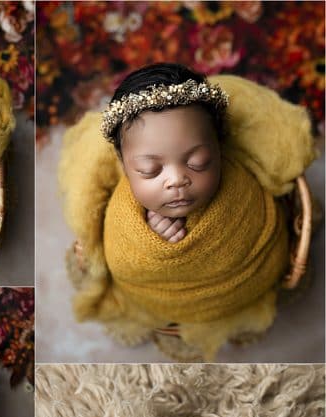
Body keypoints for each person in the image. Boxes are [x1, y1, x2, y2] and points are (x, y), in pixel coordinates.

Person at [60, 63, 316, 360]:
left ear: (219, 147)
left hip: (244, 281)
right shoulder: (122, 208)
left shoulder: (241, 182)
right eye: (150, 170)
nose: (176, 180)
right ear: (124, 165)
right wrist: (146, 240)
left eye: (197, 162)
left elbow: (261, 223)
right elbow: (120, 261)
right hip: (160, 294)